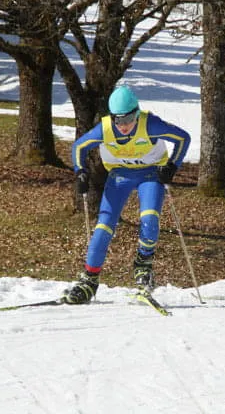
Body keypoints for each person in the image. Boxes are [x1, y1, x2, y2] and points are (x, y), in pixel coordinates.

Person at [65, 85, 191, 304]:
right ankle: (89, 281)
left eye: (129, 119)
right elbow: (79, 147)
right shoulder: (105, 129)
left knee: (150, 219)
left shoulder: (150, 124)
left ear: (137, 113)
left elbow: (183, 138)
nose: (123, 125)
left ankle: (143, 265)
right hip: (119, 176)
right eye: (118, 120)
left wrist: (172, 166)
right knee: (103, 226)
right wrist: (80, 172)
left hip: (149, 175)